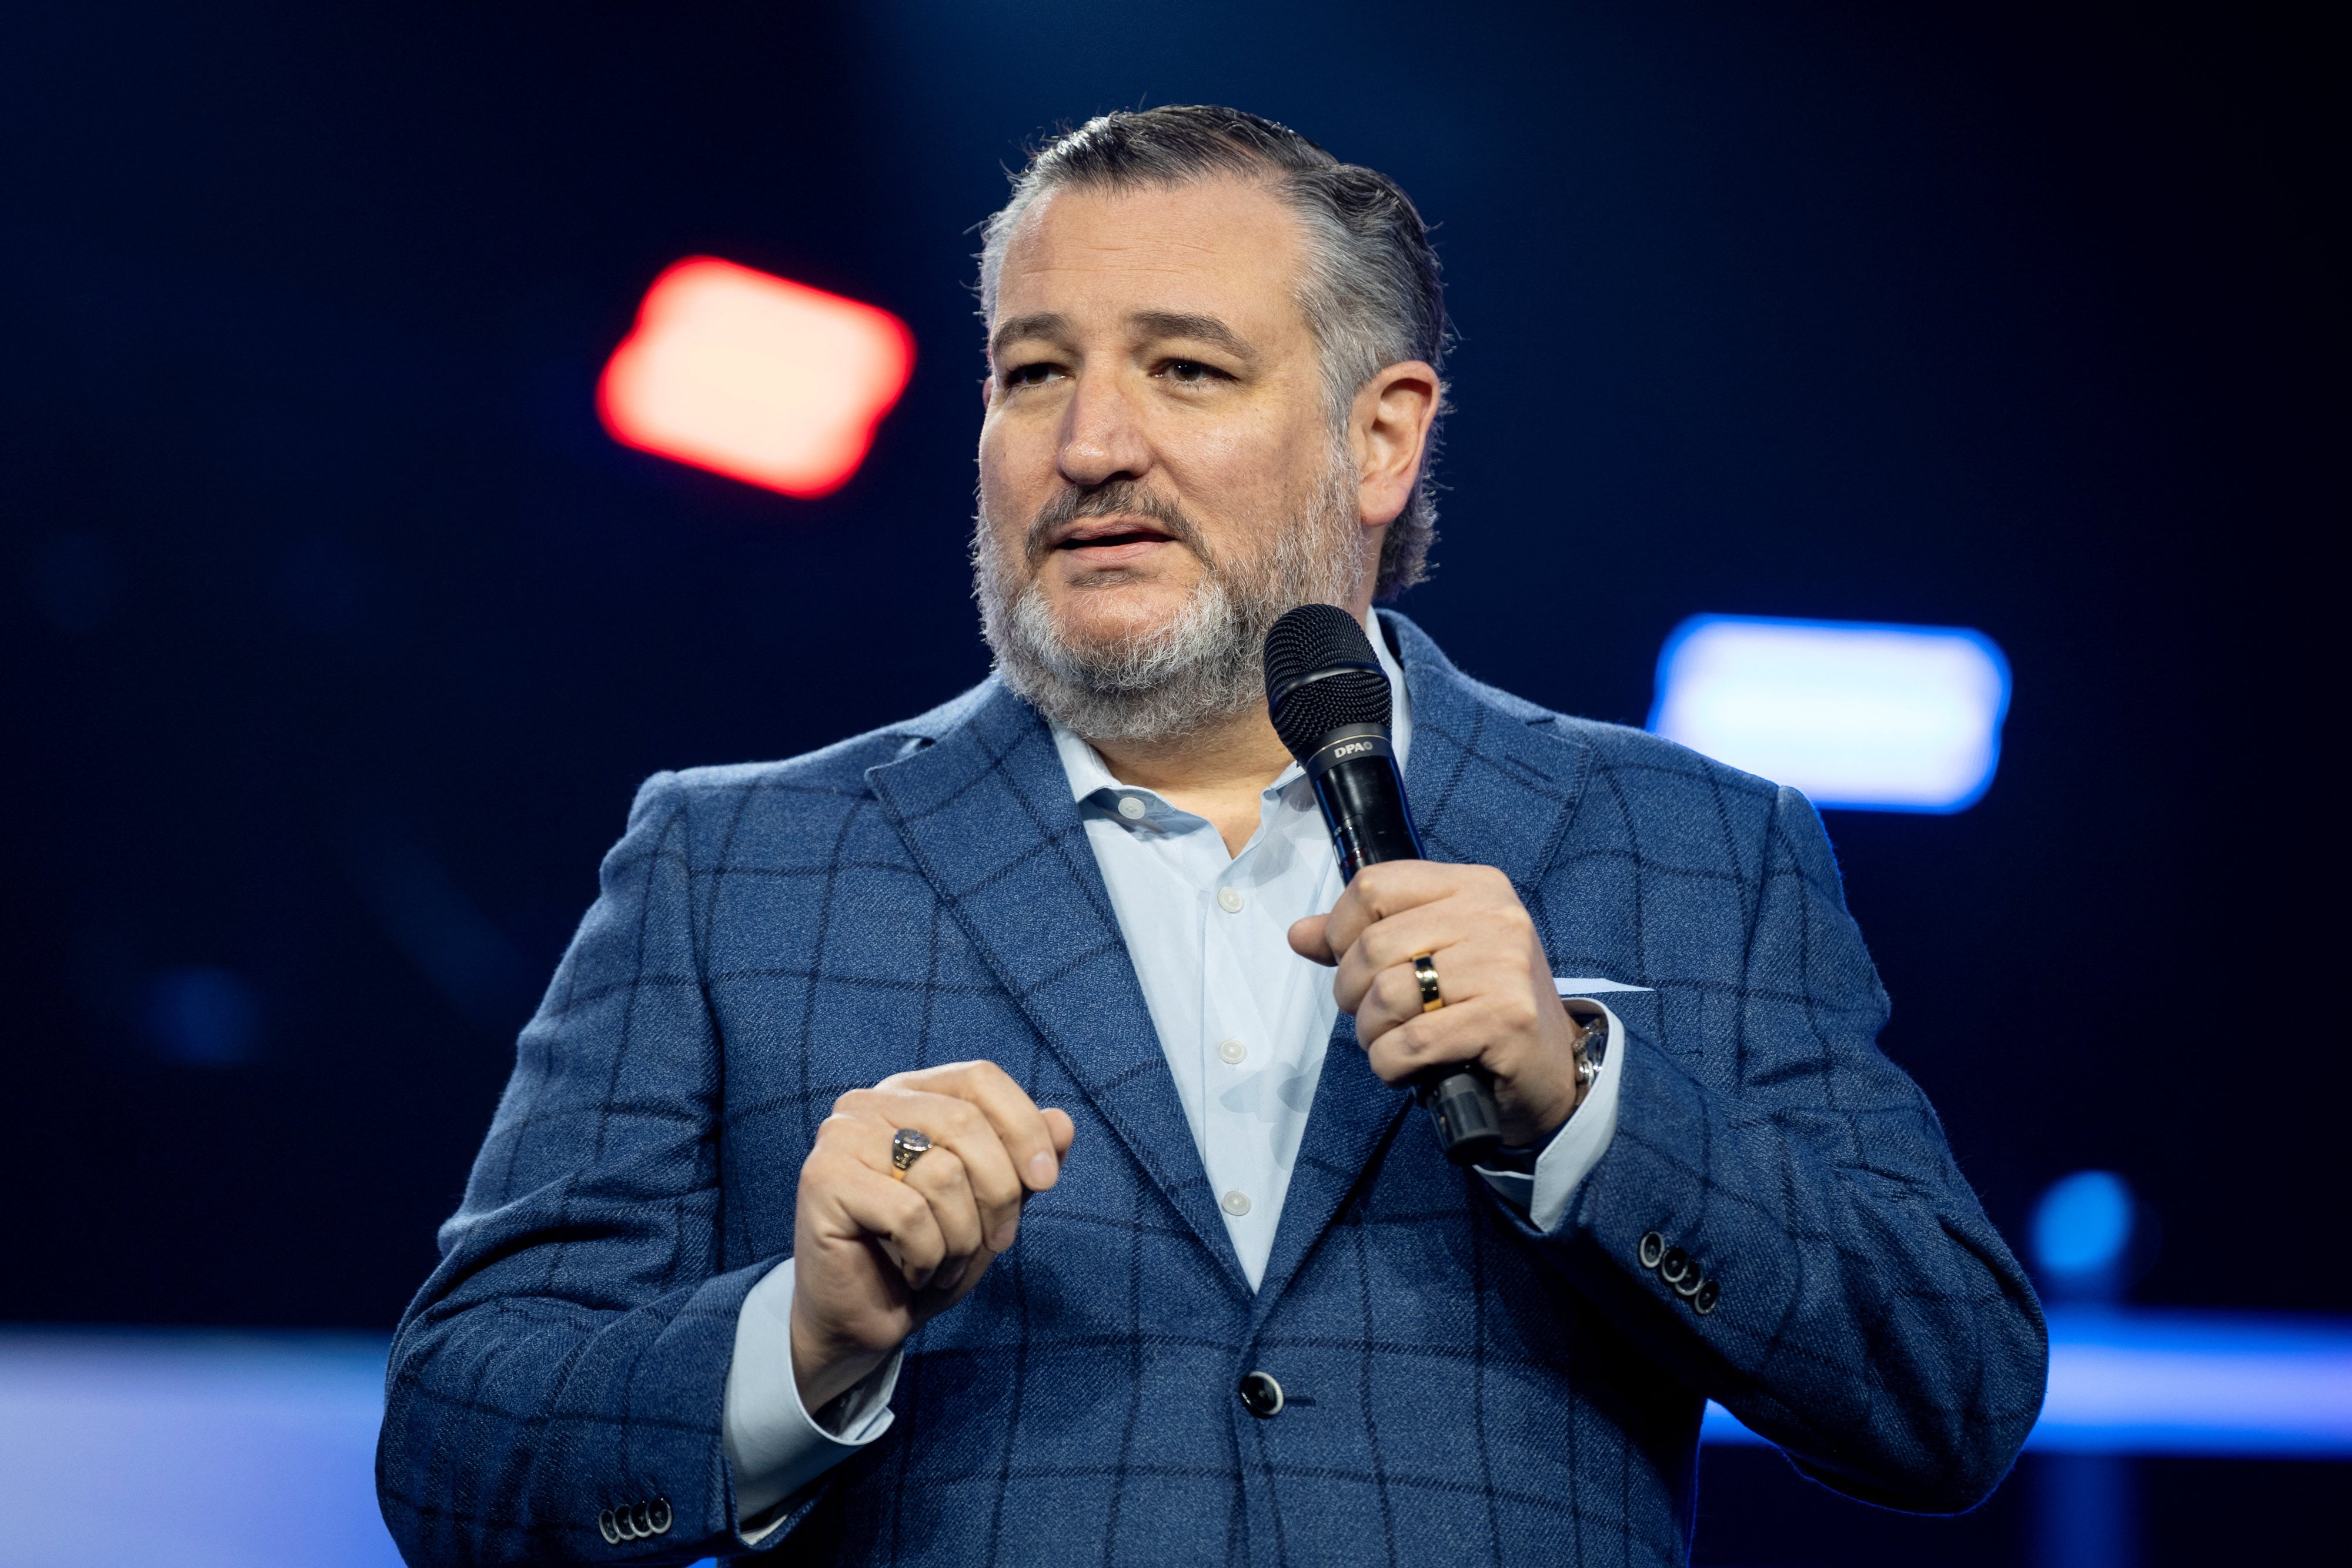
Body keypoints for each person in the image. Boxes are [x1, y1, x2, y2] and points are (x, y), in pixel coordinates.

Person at [378, 105, 2045, 1566]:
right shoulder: (729, 866)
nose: (1091, 444)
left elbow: (1952, 1385)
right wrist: (801, 1343)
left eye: (1185, 367)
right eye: (1036, 372)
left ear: (1381, 436)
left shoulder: (1693, 844)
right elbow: (457, 1449)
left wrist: (1591, 1100)